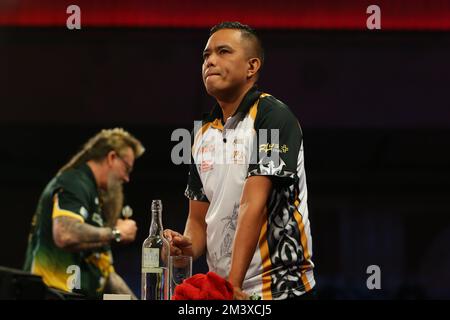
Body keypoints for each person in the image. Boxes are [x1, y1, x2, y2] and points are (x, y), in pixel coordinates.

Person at [164, 22, 316, 300]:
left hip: (280, 289)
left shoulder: (273, 117)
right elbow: (198, 220)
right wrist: (187, 245)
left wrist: (231, 286)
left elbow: (253, 204)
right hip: (226, 290)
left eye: (223, 52)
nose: (210, 60)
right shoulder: (202, 134)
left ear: (251, 66)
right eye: (206, 55)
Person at [23, 128, 144, 299]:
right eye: (127, 169)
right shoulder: (74, 182)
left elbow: (105, 272)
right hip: (51, 294)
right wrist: (117, 233)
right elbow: (65, 234)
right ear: (112, 158)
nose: (127, 178)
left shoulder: (95, 197)